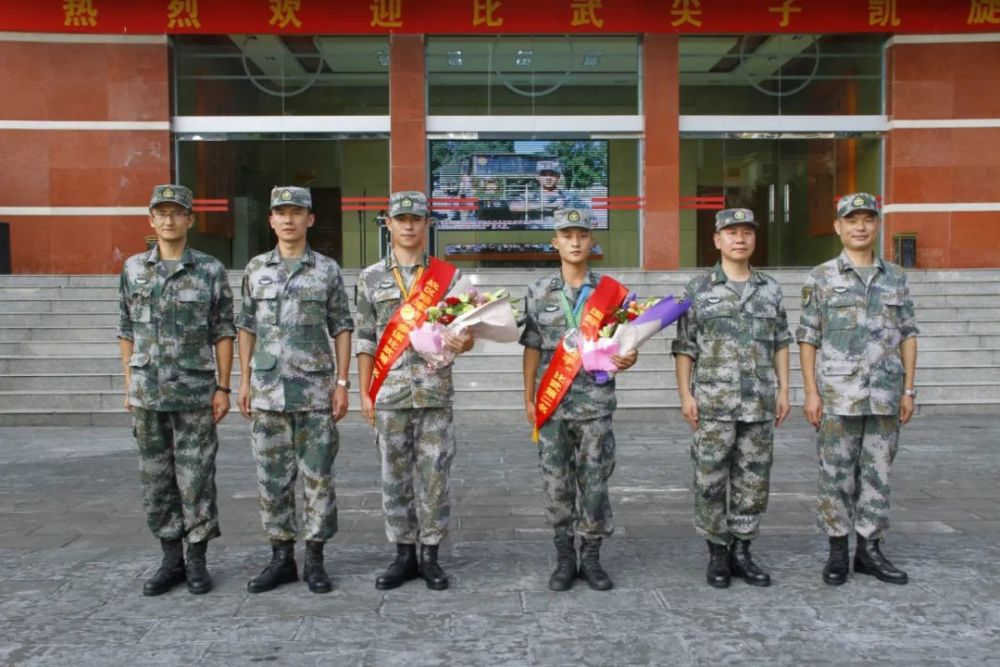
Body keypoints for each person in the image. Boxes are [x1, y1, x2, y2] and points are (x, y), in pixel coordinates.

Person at [117, 184, 235, 596]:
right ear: (151, 219)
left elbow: (223, 331)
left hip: (195, 391)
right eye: (161, 213)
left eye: (176, 212)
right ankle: (171, 558)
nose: (168, 220)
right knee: (156, 478)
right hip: (148, 391)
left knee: (197, 476)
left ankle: (198, 558)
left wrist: (223, 386)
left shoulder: (209, 270)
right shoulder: (133, 269)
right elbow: (126, 329)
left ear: (190, 219)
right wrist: (129, 382)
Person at [236, 186, 354, 594]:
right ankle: (281, 558)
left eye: (296, 212)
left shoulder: (327, 270)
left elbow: (342, 326)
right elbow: (246, 327)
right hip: (268, 390)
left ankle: (316, 559)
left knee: (318, 476)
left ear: (310, 219)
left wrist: (341, 382)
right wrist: (243, 380)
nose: (288, 220)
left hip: (315, 391)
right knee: (271, 478)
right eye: (280, 212)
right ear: (270, 220)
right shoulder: (255, 269)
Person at [355, 191, 474, 591]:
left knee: (435, 475)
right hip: (389, 394)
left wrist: (464, 342)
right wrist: (364, 392)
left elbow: (465, 333)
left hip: (435, 392)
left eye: (416, 219)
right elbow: (366, 339)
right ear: (387, 223)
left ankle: (431, 555)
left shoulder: (448, 277)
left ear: (427, 224)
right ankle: (402, 555)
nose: (408, 225)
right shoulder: (370, 278)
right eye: (401, 218)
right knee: (394, 476)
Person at [797, 192, 918, 586]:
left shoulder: (895, 277)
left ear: (877, 225)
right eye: (852, 220)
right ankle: (836, 551)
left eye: (867, 219)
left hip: (885, 394)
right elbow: (808, 337)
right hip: (837, 395)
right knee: (835, 474)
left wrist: (909, 390)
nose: (860, 226)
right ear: (838, 227)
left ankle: (869, 550)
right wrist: (811, 393)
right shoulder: (821, 277)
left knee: (878, 473)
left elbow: (908, 334)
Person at [672, 208, 791, 588]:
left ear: (754, 239)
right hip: (713, 403)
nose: (740, 239)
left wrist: (785, 389)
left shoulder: (769, 288)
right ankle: (717, 553)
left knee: (753, 480)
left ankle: (743, 550)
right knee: (709, 479)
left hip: (758, 402)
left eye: (746, 232)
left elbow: (781, 342)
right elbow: (685, 346)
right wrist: (685, 395)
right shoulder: (699, 289)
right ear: (717, 240)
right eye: (731, 232)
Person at [520, 207, 638, 591]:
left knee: (595, 482)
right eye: (566, 235)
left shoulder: (612, 293)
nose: (574, 241)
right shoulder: (538, 292)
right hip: (553, 405)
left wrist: (629, 357)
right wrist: (529, 397)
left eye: (582, 235)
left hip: (595, 404)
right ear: (554, 241)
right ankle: (564, 556)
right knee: (556, 483)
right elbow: (533, 347)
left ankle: (591, 555)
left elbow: (624, 346)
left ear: (592, 241)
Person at [510, 160, 567, 226]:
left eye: (552, 174)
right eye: (544, 175)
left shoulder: (568, 196)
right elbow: (513, 207)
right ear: (537, 177)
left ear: (558, 177)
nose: (548, 178)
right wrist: (548, 205)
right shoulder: (530, 195)